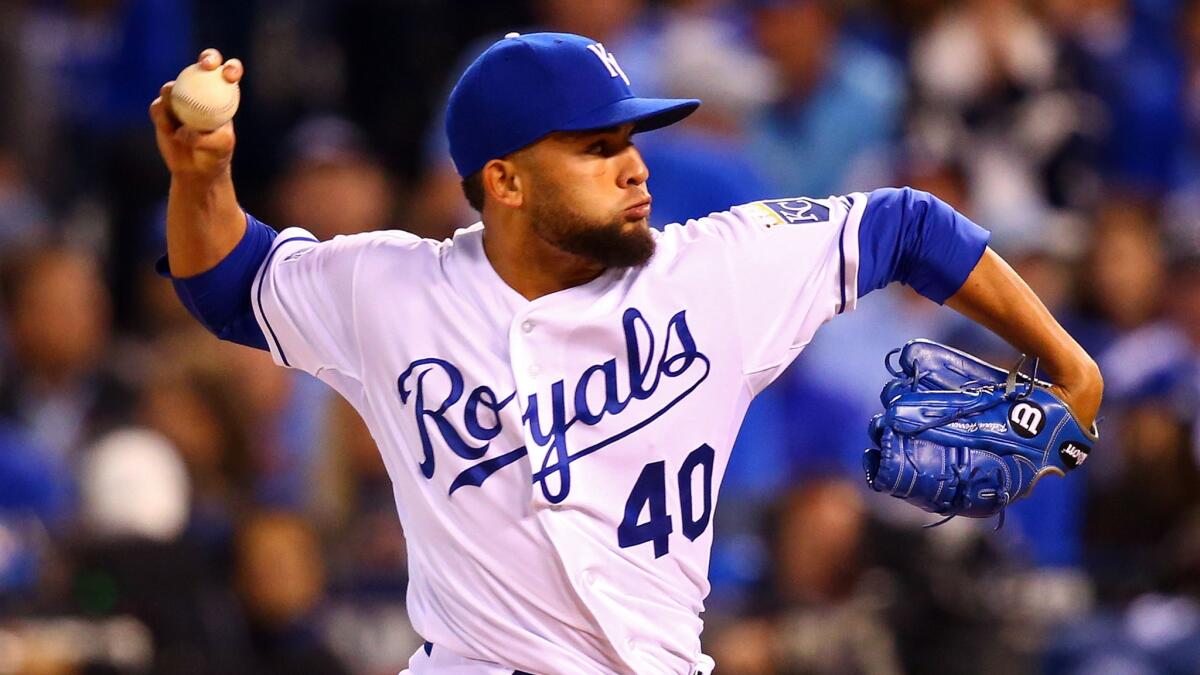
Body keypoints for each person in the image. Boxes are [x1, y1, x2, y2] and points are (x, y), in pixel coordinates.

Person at [148, 34, 1103, 675]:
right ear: (506, 180)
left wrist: (1067, 360)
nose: (638, 165)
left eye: (632, 139)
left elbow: (907, 225)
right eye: (600, 148)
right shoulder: (392, 289)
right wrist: (204, 176)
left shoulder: (713, 272)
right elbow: (227, 281)